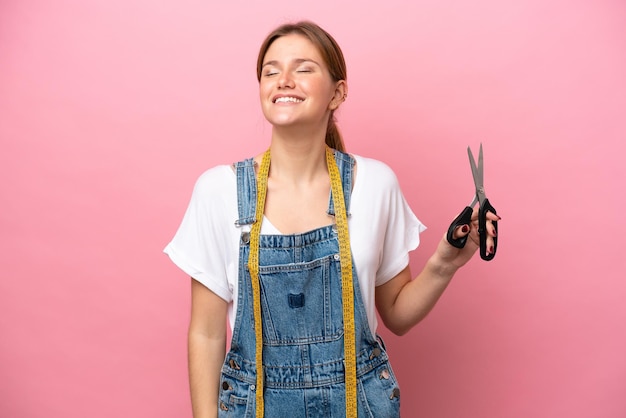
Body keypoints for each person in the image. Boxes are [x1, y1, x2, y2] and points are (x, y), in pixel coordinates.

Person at [164, 20, 498, 418]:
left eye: (303, 69)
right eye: (270, 71)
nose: (284, 80)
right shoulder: (218, 192)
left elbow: (396, 314)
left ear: (337, 93)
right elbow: (205, 333)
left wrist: (445, 262)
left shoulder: (375, 184)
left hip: (359, 405)